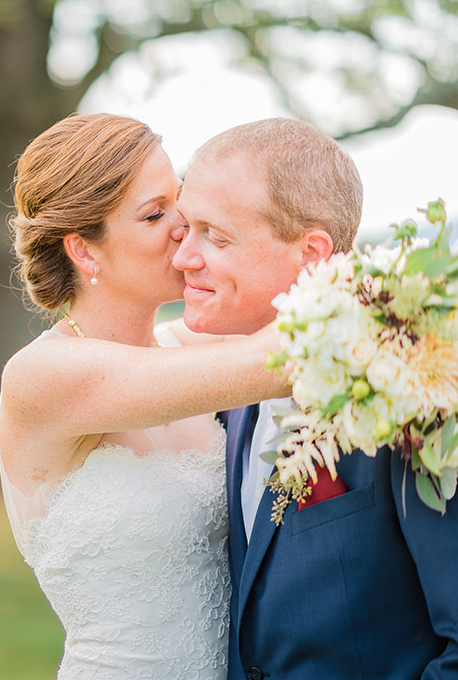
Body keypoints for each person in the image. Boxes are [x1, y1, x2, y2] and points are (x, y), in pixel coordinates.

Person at [0, 113, 289, 680]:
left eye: (179, 199)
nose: (185, 225)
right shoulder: (43, 376)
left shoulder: (187, 351)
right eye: (155, 214)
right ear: (84, 251)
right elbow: (281, 356)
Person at [173, 117, 458, 680]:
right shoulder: (227, 388)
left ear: (312, 254)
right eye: (185, 229)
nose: (184, 257)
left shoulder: (410, 395)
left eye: (216, 236)